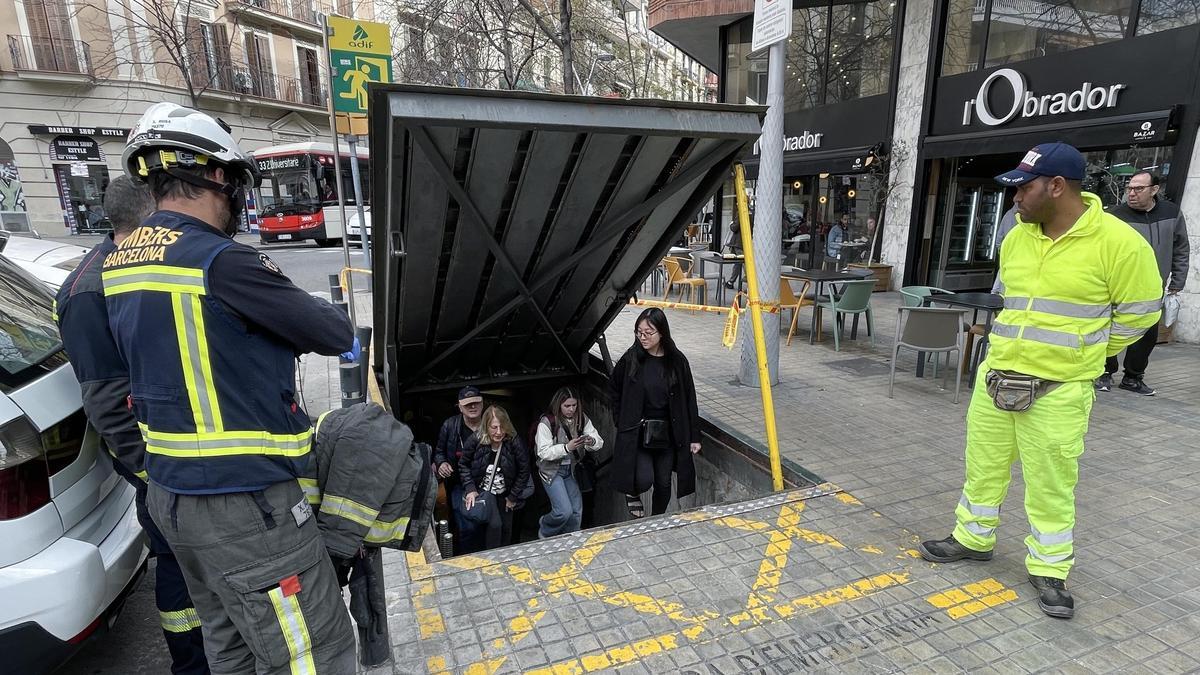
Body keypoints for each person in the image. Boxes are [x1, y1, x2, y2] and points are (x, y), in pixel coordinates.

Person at [104, 102, 358, 672]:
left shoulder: (120, 263)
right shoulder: (220, 262)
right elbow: (332, 330)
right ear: (215, 175)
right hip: (246, 507)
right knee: (313, 655)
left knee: (233, 652)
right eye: (235, 181)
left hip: (171, 501)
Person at [918, 143, 1162, 620]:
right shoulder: (1016, 237)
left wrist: (1086, 354)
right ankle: (973, 537)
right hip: (997, 376)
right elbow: (1007, 302)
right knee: (983, 465)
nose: (1015, 199)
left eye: (1024, 188)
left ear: (1056, 186)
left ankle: (1050, 568)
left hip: (1060, 390)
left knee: (1051, 482)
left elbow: (1140, 315)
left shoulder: (1120, 243)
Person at [55, 175, 209, 674]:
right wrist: (149, 470)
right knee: (178, 567)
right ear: (148, 217)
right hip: (156, 463)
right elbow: (104, 397)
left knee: (197, 559)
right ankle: (193, 665)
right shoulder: (89, 292)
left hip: (179, 449)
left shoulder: (135, 269)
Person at [1098, 171, 1190, 395]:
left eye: (1138, 188)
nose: (1131, 193)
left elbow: (1181, 248)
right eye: (1129, 188)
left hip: (1151, 289)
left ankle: (1133, 377)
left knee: (1146, 335)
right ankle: (1104, 372)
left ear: (1154, 190)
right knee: (1108, 329)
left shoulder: (1172, 213)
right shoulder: (1113, 215)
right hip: (1116, 287)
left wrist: (1178, 280)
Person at [609, 308, 701, 518]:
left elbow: (689, 398)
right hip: (638, 432)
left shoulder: (677, 361)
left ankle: (656, 520)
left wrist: (694, 436)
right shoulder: (631, 358)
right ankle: (631, 492)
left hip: (668, 433)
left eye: (648, 333)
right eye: (639, 332)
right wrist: (620, 419)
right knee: (643, 479)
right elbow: (613, 387)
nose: (643, 337)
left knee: (664, 483)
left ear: (662, 333)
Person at [459, 405, 532, 550]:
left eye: (502, 427)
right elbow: (463, 465)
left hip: (505, 496)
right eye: (494, 427)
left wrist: (512, 497)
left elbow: (524, 470)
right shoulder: (476, 440)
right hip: (484, 494)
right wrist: (471, 488)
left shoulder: (514, 442)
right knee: (493, 527)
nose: (499, 432)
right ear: (486, 426)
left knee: (506, 531)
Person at [535, 387, 603, 538]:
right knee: (563, 512)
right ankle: (545, 529)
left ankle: (570, 539)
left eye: (574, 405)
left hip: (571, 470)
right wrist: (566, 448)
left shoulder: (582, 418)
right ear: (558, 405)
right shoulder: (547, 422)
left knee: (576, 511)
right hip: (552, 472)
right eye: (567, 406)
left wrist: (591, 441)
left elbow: (599, 441)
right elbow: (543, 452)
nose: (571, 409)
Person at [433, 385, 486, 553]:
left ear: (482, 404)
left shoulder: (491, 424)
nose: (472, 407)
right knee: (466, 525)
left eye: (476, 403)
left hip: (487, 483)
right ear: (460, 406)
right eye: (468, 404)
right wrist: (442, 464)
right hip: (458, 483)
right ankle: (467, 556)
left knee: (488, 523)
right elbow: (439, 451)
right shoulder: (450, 426)